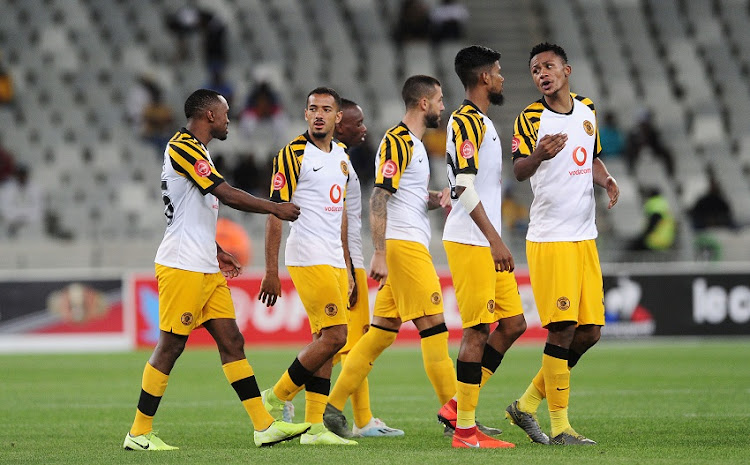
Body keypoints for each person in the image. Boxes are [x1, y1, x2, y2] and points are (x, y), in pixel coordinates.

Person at [123, 89, 308, 452]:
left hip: (203, 264)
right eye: (224, 114)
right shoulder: (183, 145)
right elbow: (225, 194)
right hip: (182, 265)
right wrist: (274, 207)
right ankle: (139, 433)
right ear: (209, 115)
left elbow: (190, 211)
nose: (229, 119)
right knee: (171, 345)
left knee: (232, 341)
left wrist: (217, 249)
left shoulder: (199, 150)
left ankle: (264, 426)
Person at [322, 76, 457, 439]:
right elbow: (378, 197)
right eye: (440, 100)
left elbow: (405, 196)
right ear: (423, 103)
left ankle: (332, 407)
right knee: (435, 329)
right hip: (404, 249)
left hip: (405, 244)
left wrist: (437, 197)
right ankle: (458, 419)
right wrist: (379, 252)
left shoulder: (411, 144)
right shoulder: (398, 141)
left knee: (380, 334)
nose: (443, 106)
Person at [508, 43, 620, 446]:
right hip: (551, 238)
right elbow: (520, 170)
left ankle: (525, 404)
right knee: (562, 330)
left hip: (584, 237)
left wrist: (605, 178)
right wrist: (538, 154)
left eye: (549, 66)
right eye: (535, 69)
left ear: (566, 70)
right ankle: (560, 427)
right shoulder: (530, 118)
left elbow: (590, 156)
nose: (542, 73)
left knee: (589, 332)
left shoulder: (587, 108)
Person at [437, 45, 527, 449]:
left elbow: (461, 182)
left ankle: (458, 407)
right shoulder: (466, 122)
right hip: (473, 241)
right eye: (498, 70)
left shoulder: (483, 123)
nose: (503, 77)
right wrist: (494, 240)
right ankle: (466, 433)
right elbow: (464, 185)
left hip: (484, 239)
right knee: (476, 330)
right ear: (484, 78)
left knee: (513, 325)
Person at [258, 87, 358, 446]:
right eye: (312, 108)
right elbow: (275, 212)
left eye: (326, 109)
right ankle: (277, 395)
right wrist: (271, 271)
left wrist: (346, 266)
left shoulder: (343, 157)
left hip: (332, 258)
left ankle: (314, 427)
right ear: (305, 115)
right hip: (306, 255)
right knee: (337, 336)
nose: (319, 114)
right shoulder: (292, 154)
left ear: (337, 117)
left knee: (326, 341)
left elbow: (341, 214)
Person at [327, 99, 404, 437]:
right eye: (357, 123)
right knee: (341, 343)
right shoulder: (334, 160)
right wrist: (348, 267)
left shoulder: (339, 157)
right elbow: (340, 217)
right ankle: (282, 395)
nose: (364, 129)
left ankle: (362, 420)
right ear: (339, 122)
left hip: (343, 259)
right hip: (343, 261)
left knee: (344, 343)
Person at [624, 108, 674, 178]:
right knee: (629, 153)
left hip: (653, 150)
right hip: (637, 151)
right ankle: (631, 173)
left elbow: (657, 143)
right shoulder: (633, 133)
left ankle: (669, 174)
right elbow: (631, 144)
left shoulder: (653, 132)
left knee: (667, 153)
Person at [0, 164, 44, 238]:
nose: (22, 176)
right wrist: (16, 217)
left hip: (31, 224)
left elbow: (39, 207)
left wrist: (27, 217)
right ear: (16, 175)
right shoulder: (7, 188)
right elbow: (4, 207)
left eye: (24, 174)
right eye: (20, 174)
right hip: (11, 223)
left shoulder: (36, 189)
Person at [630, 186, 675, 251]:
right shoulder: (664, 203)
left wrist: (643, 236)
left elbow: (653, 222)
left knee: (633, 247)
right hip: (668, 239)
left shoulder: (654, 204)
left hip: (656, 239)